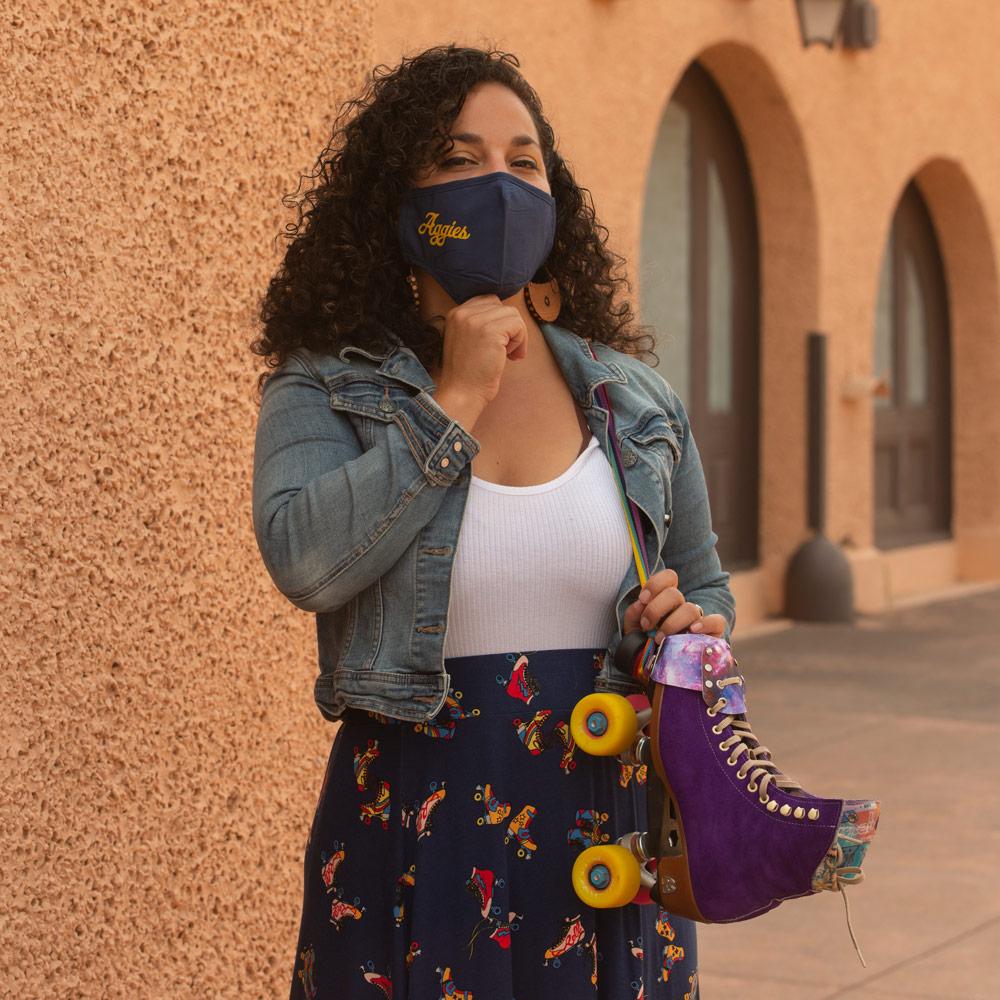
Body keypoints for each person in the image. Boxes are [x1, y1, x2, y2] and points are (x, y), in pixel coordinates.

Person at [251, 43, 735, 1000]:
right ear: (399, 195)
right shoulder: (325, 385)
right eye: (460, 159)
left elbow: (707, 587)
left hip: (605, 831)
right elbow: (306, 562)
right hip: (415, 835)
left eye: (524, 163)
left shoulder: (632, 399)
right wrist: (454, 400)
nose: (500, 186)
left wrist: (689, 629)